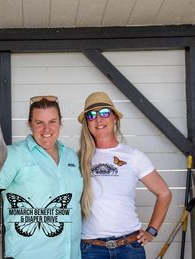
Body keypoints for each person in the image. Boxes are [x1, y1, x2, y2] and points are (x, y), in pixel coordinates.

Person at [0, 95, 83, 259]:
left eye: (52, 121)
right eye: (39, 123)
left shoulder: (71, 157)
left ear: (60, 123)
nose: (47, 129)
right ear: (30, 124)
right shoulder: (15, 155)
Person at [77, 92, 172, 259]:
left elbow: (164, 193)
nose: (98, 119)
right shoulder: (77, 159)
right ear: (87, 123)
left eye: (104, 112)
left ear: (114, 117)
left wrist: (152, 231)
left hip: (129, 248)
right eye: (92, 115)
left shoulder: (133, 156)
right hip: (91, 250)